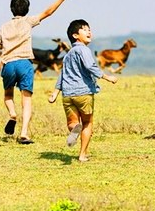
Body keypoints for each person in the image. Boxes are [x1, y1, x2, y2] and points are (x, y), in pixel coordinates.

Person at [0, 0, 73, 144]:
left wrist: (7, 45)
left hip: (8, 64)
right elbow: (48, 12)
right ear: (27, 9)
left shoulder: (4, 26)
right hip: (25, 64)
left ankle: (13, 115)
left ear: (11, 9)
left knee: (8, 95)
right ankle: (24, 133)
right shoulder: (28, 21)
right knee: (26, 100)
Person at [48, 19, 117, 162]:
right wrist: (106, 77)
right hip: (83, 93)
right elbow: (90, 66)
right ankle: (82, 155)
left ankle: (74, 128)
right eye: (84, 29)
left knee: (72, 123)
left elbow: (62, 74)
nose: (89, 31)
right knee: (88, 123)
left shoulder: (68, 55)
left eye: (89, 29)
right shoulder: (83, 50)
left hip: (68, 95)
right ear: (75, 35)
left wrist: (55, 92)